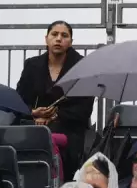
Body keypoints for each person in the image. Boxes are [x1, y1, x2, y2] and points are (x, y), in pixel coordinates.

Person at [15, 20, 94, 178]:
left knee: (56, 140)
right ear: (46, 39)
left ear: (71, 42)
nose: (59, 39)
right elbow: (20, 100)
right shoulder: (32, 65)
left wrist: (54, 116)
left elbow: (84, 108)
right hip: (34, 124)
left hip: (69, 127)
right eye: (54, 34)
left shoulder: (81, 66)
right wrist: (33, 113)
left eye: (64, 35)